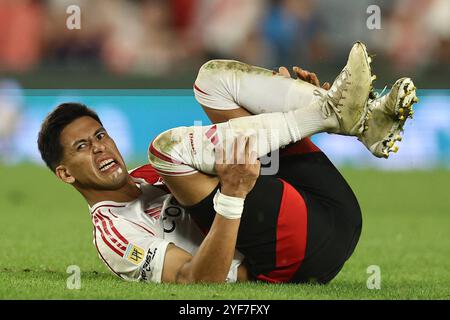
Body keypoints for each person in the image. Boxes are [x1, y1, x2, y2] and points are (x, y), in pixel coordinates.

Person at [37, 42, 417, 284]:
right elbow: (193, 282)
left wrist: (279, 101)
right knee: (166, 148)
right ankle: (327, 112)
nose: (100, 149)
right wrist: (232, 198)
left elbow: (251, 153)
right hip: (295, 256)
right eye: (83, 147)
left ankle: (355, 121)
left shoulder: (147, 177)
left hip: (333, 209)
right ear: (65, 172)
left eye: (100, 136)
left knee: (211, 79)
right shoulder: (115, 234)